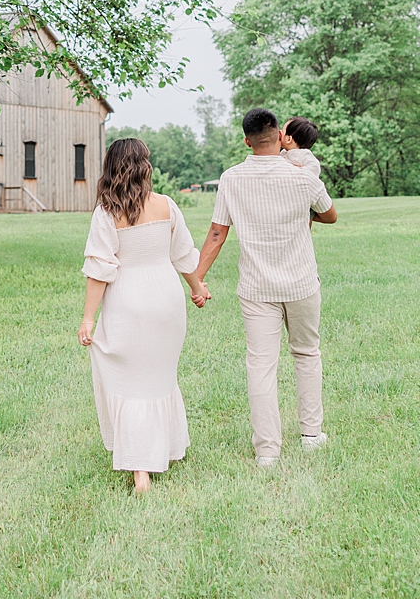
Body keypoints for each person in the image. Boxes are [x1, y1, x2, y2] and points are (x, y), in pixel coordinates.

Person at [191, 106, 337, 467]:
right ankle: (311, 435)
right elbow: (331, 214)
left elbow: (216, 233)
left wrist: (196, 279)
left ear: (247, 140)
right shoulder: (302, 175)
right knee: (306, 354)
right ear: (278, 137)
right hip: (302, 282)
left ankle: (268, 451)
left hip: (257, 289)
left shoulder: (232, 178)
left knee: (261, 365)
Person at [78, 138, 210, 492]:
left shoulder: (107, 212)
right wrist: (197, 289)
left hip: (128, 300)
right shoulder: (167, 206)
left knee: (130, 382)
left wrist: (89, 318)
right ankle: (162, 450)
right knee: (158, 379)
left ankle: (141, 472)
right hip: (166, 299)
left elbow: (100, 269)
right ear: (144, 167)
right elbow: (184, 256)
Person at [280, 116, 323, 181]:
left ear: (289, 139)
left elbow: (315, 167)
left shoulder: (304, 154)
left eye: (282, 131)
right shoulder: (283, 152)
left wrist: (300, 171)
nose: (279, 132)